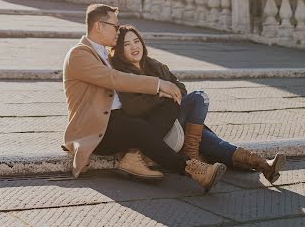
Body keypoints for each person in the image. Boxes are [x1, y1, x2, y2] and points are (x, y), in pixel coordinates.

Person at [62, 3, 227, 191]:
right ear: (99, 26)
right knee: (139, 128)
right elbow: (114, 78)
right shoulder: (79, 54)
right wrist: (157, 85)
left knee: (170, 102)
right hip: (96, 128)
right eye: (115, 26)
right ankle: (193, 171)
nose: (118, 30)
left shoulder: (106, 56)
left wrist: (163, 89)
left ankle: (134, 157)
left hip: (120, 120)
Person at [111, 25, 286, 184]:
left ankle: (264, 165)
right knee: (199, 98)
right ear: (119, 50)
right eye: (127, 44)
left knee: (212, 143)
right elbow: (133, 107)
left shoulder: (154, 65)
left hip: (175, 122)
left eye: (136, 41)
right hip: (154, 128)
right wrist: (162, 92)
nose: (134, 47)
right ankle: (191, 154)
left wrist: (168, 93)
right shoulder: (122, 74)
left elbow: (180, 88)